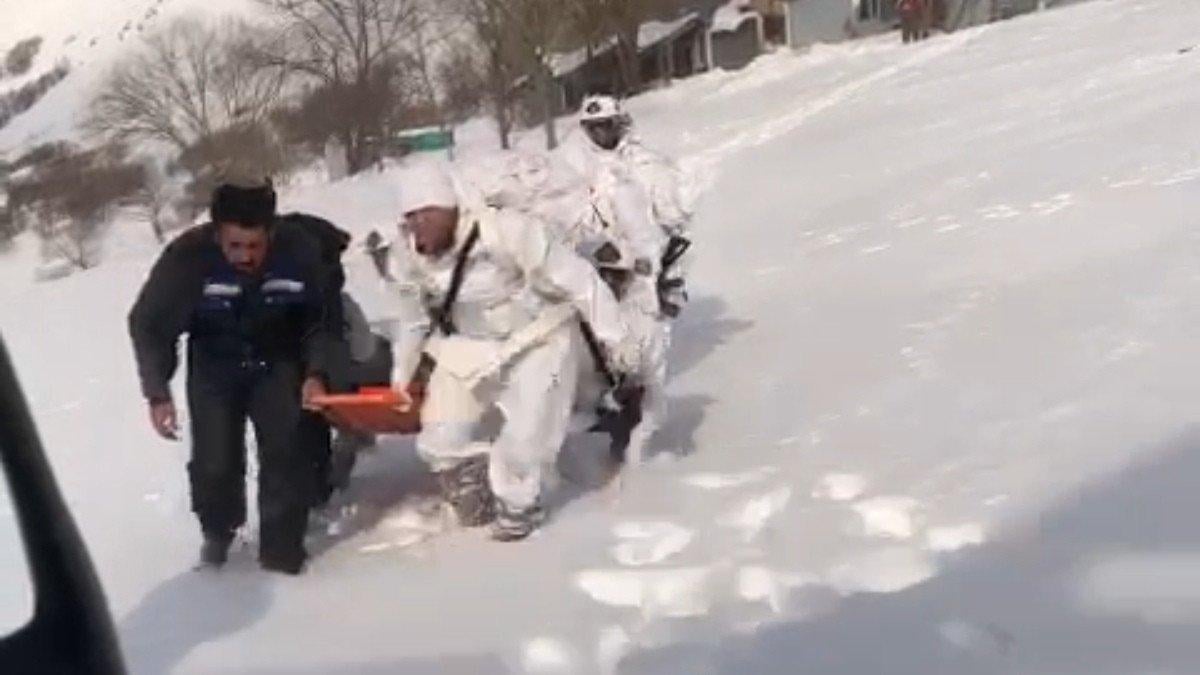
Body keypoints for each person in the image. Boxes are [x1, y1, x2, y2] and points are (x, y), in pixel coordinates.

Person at [387, 163, 631, 541]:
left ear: (451, 208)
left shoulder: (506, 231)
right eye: (410, 217)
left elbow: (581, 281)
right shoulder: (407, 256)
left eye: (427, 214)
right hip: (468, 347)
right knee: (441, 437)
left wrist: (615, 338)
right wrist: (402, 373)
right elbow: (412, 320)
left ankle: (519, 509)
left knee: (526, 436)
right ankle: (476, 502)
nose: (418, 225)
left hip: (537, 337)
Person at [128, 182, 334, 574]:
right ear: (217, 233)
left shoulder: (298, 251)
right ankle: (219, 532)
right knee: (215, 460)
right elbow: (149, 324)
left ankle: (282, 553)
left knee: (287, 451)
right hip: (214, 364)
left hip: (278, 358)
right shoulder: (187, 258)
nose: (246, 256)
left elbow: (322, 320)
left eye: (255, 246)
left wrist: (316, 372)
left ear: (271, 233)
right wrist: (158, 392)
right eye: (235, 246)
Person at [557, 94, 693, 464]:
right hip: (591, 278)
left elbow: (672, 227)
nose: (603, 132)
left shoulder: (645, 163)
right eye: (595, 126)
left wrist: (672, 279)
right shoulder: (565, 168)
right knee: (591, 360)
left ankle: (640, 444)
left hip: (644, 279)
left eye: (608, 124)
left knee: (647, 359)